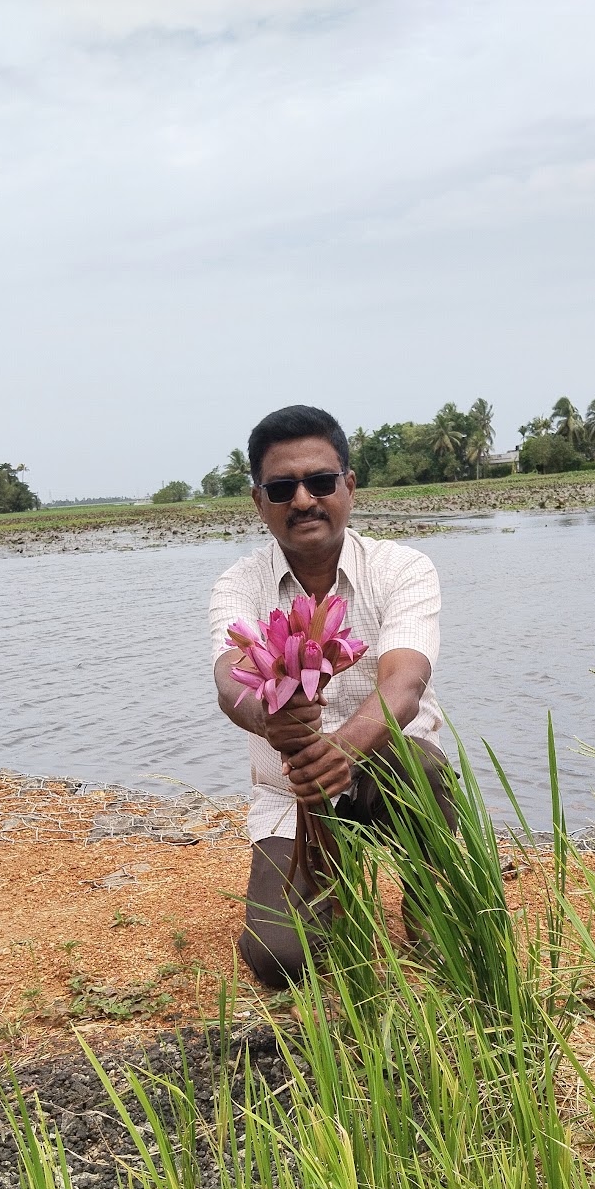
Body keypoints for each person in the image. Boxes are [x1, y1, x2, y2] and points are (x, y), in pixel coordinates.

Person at [209, 404, 456, 988]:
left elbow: (404, 684)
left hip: (387, 777)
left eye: (320, 482)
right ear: (258, 500)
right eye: (282, 487)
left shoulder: (402, 568)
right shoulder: (238, 584)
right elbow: (229, 679)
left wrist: (338, 752)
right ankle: (331, 873)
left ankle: (430, 895)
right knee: (280, 960)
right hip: (290, 794)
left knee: (410, 756)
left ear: (348, 485)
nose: (302, 500)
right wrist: (274, 723)